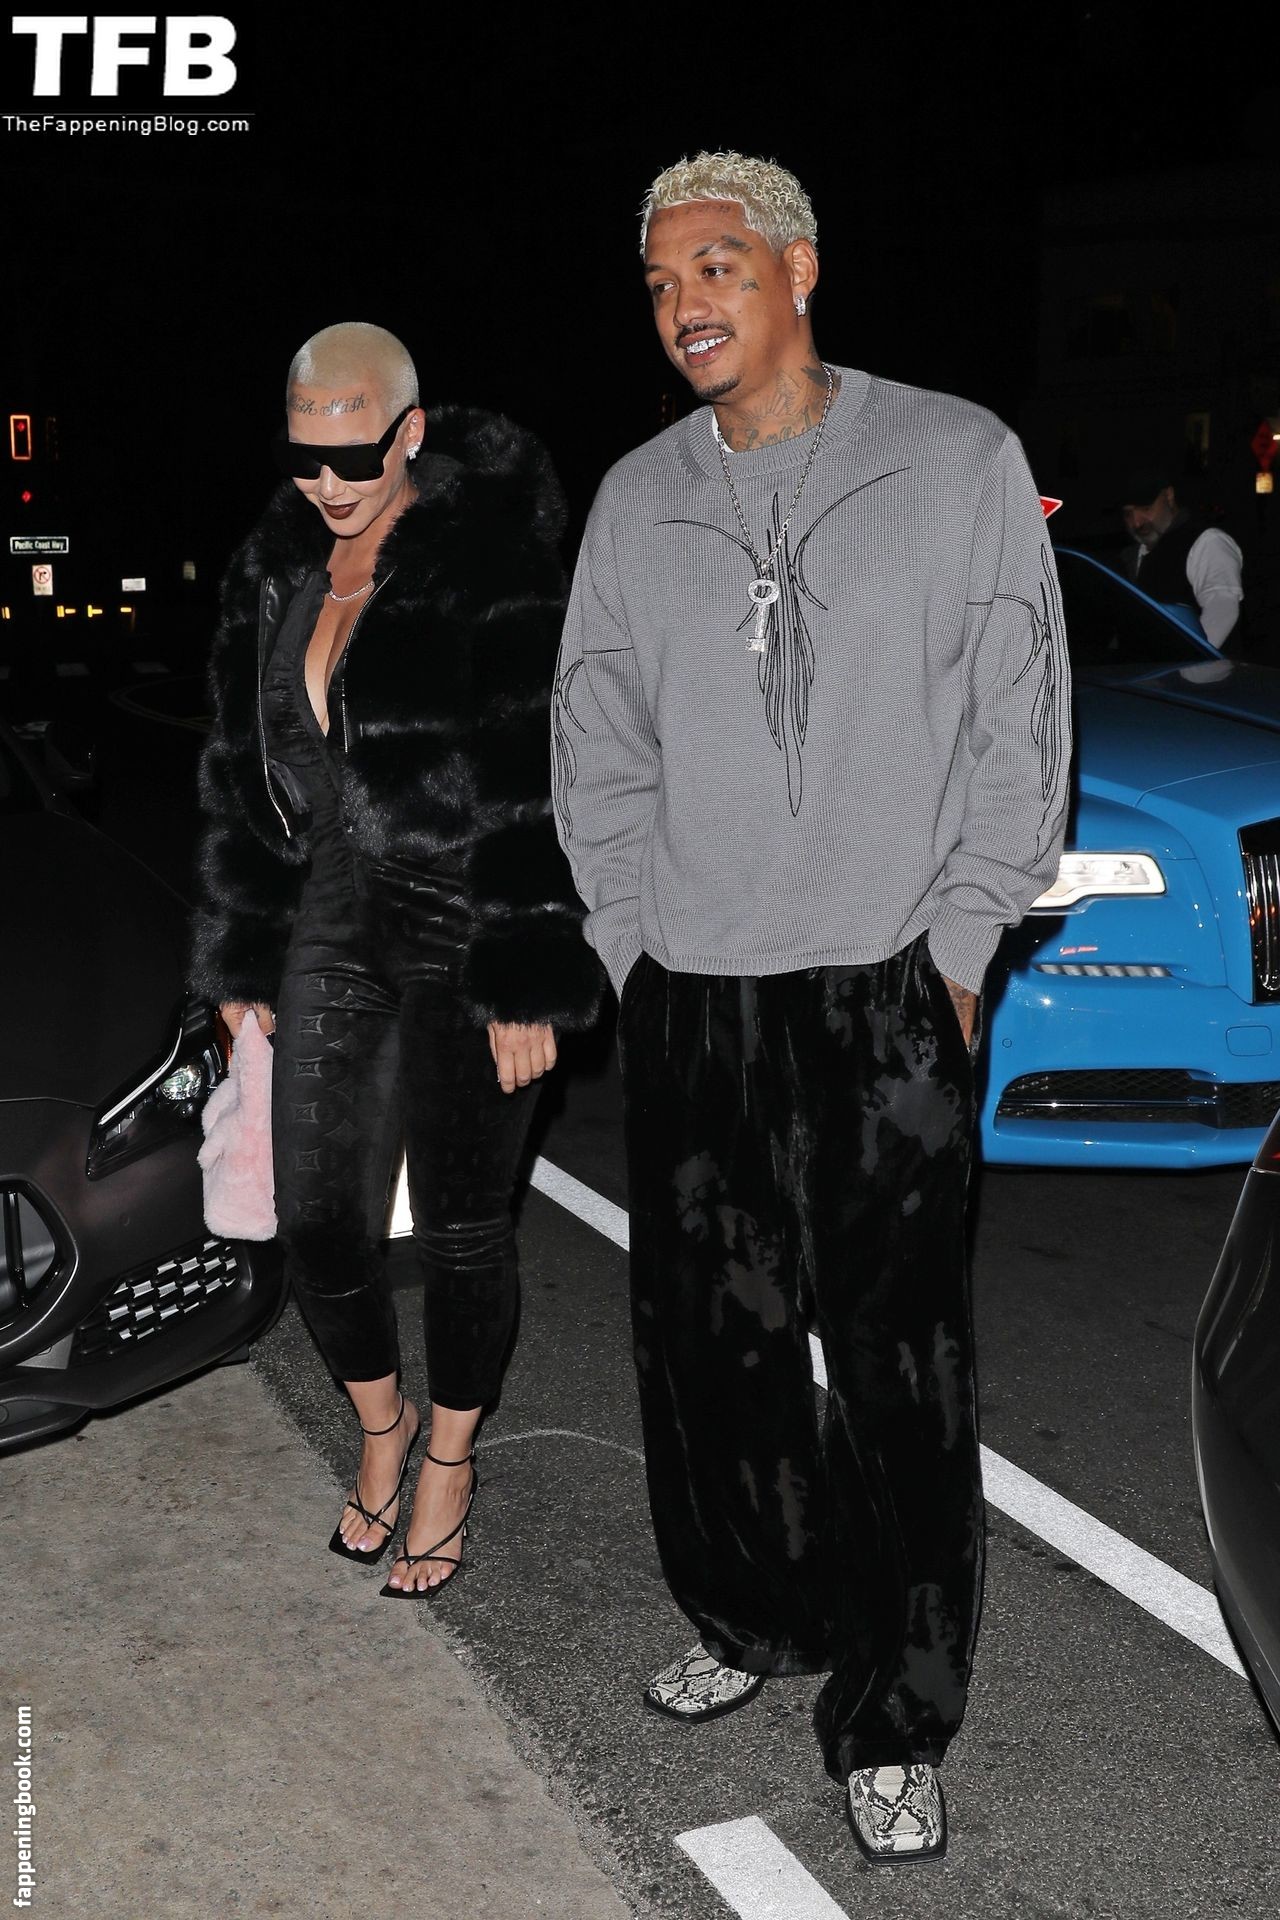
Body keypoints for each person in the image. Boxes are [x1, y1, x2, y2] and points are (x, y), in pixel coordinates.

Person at [551, 153, 1072, 1862]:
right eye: (658, 281)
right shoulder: (637, 498)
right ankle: (757, 1616)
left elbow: (1020, 719)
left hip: (882, 980)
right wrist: (626, 945)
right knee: (713, 1351)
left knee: (903, 1367)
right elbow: (595, 740)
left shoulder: (955, 457)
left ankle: (897, 1712)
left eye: (716, 265)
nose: (683, 303)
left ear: (799, 270)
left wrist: (962, 949)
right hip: (695, 990)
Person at [189, 322, 599, 1599]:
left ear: (409, 432)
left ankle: (449, 1463)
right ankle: (382, 1425)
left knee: (466, 1231)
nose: (328, 481)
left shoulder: (488, 559)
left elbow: (539, 768)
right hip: (326, 913)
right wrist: (241, 949)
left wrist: (526, 967)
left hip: (464, 919)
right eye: (303, 456)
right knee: (314, 1217)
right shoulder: (274, 568)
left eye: (355, 456)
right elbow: (237, 771)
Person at [1120, 465, 1243, 647]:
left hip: (1203, 665)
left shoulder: (1206, 541)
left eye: (1146, 508)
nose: (1136, 523)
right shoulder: (1130, 556)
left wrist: (1189, 658)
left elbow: (1222, 610)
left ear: (1169, 496)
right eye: (1128, 514)